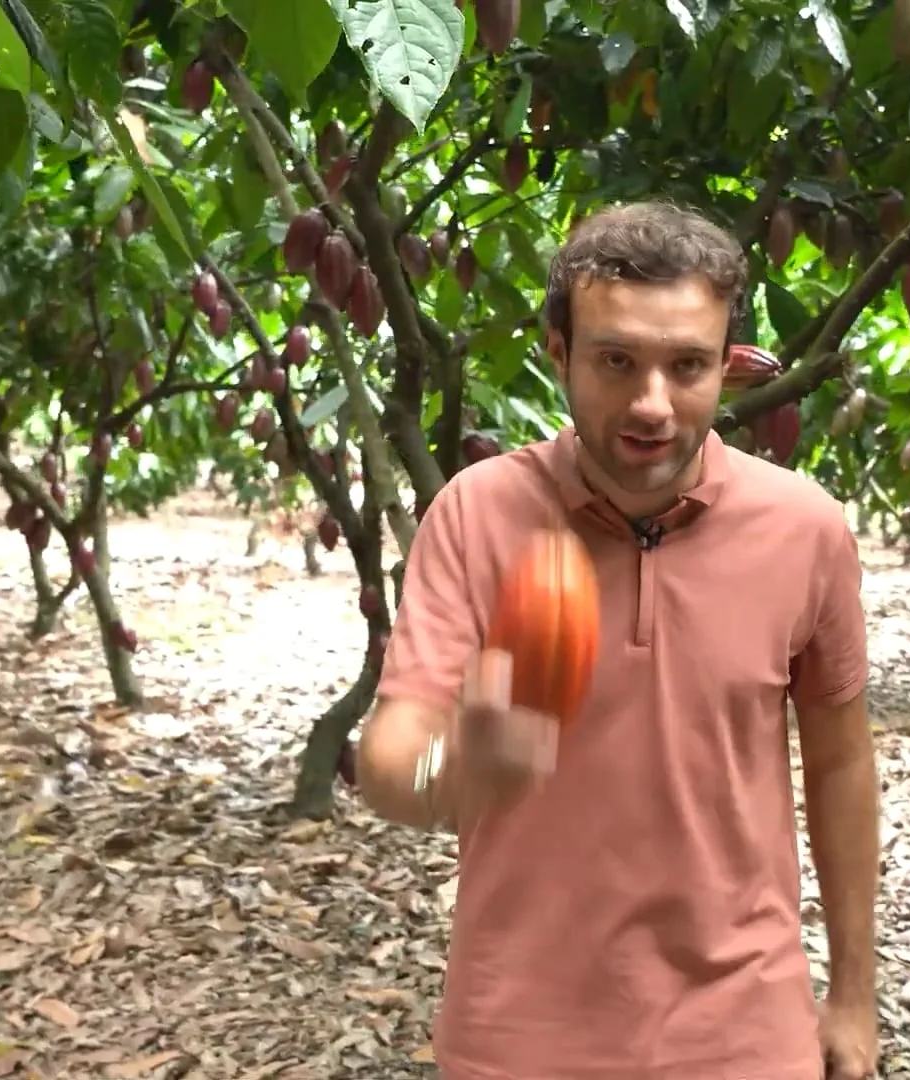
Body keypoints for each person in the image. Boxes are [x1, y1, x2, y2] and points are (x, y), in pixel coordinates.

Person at [356, 201, 880, 1079]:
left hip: (744, 1034)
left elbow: (839, 764)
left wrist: (854, 994)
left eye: (687, 367)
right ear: (558, 353)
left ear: (730, 367)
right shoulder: (479, 514)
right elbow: (392, 761)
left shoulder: (804, 529)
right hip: (518, 1034)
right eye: (615, 361)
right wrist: (451, 769)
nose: (652, 404)